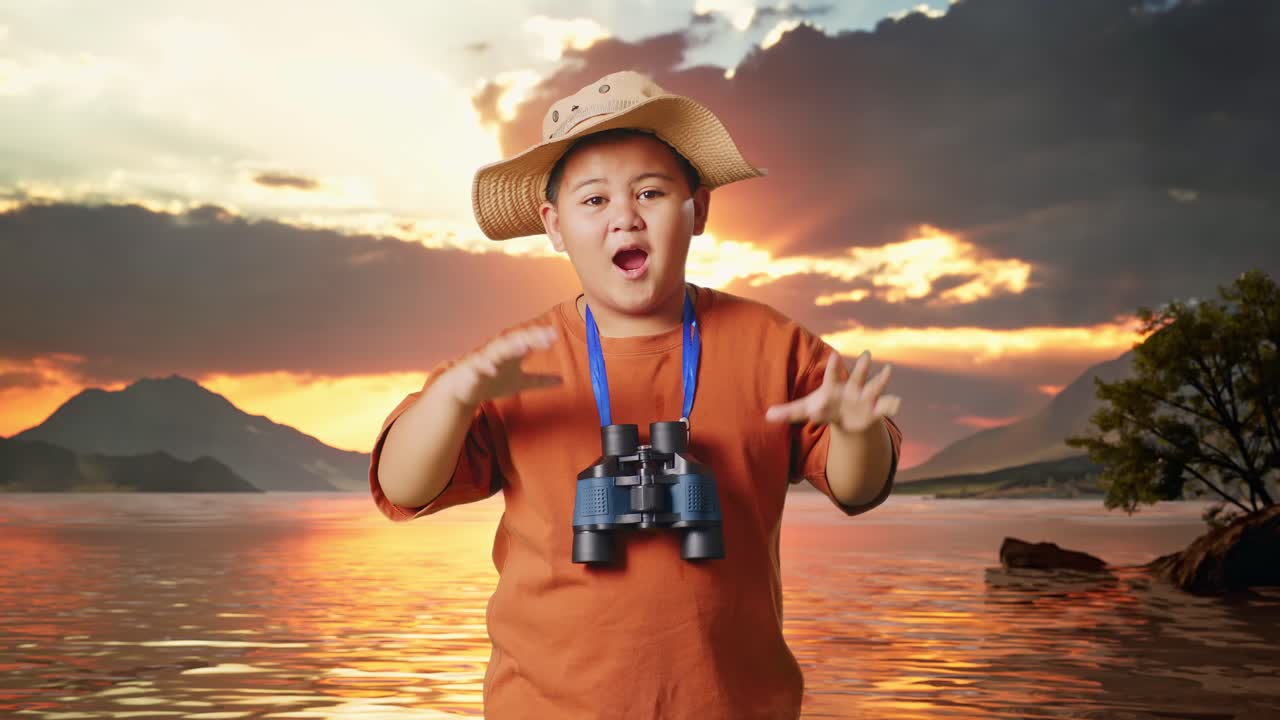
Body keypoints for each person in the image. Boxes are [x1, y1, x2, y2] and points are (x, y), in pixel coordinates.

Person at [370, 70, 904, 719]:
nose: (624, 214)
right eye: (593, 200)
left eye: (650, 192)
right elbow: (402, 486)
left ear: (698, 209)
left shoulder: (772, 345)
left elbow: (858, 488)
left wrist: (854, 430)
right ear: (555, 225)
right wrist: (451, 400)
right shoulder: (509, 362)